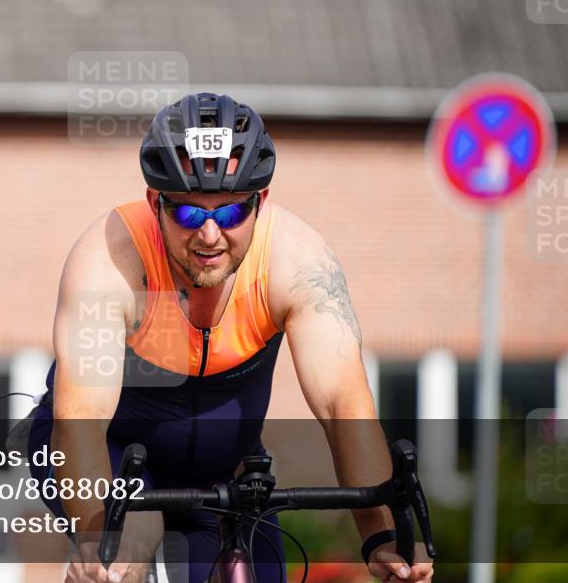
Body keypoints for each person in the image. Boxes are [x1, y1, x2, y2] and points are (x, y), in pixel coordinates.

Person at [26, 93, 433, 583]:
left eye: (233, 213)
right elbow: (82, 421)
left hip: (224, 468)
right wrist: (99, 541)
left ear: (260, 203)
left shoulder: (298, 262)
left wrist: (382, 539)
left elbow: (343, 405)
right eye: (190, 215)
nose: (211, 235)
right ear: (156, 203)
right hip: (111, 453)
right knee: (129, 544)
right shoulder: (110, 259)